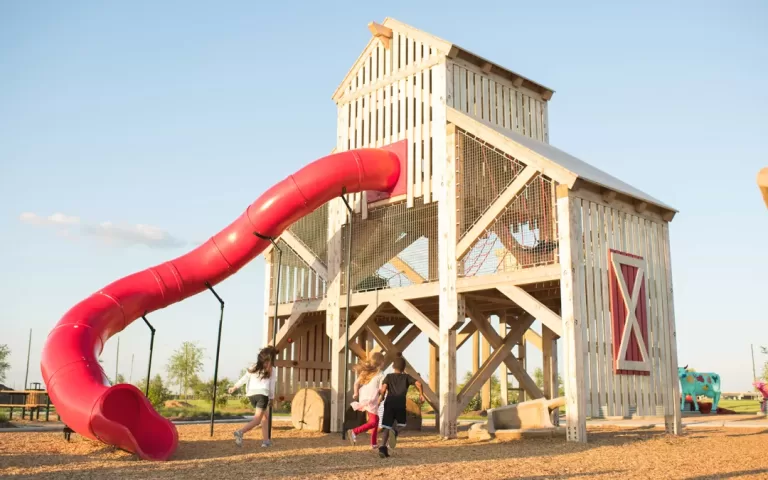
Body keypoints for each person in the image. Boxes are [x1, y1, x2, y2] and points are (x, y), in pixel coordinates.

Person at [228, 345, 278, 448]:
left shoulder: (253, 367)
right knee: (257, 420)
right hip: (262, 395)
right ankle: (240, 432)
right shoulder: (272, 369)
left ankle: (266, 441)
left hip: (252, 395)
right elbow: (272, 386)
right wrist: (272, 398)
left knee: (265, 416)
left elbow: (244, 378)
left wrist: (234, 387)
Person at [377, 356, 424, 458]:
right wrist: (421, 394)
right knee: (402, 424)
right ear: (404, 368)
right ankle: (395, 431)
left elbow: (383, 388)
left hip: (389, 403)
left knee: (386, 426)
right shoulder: (406, 377)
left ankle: (382, 447)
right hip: (400, 403)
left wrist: (380, 398)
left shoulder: (388, 376)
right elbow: (419, 384)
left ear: (393, 366)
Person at [346, 352, 385, 449]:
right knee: (374, 421)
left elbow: (356, 383)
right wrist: (382, 395)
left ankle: (374, 443)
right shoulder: (381, 373)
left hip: (364, 397)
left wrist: (355, 393)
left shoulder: (366, 372)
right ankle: (354, 431)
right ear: (381, 362)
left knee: (375, 420)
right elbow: (381, 389)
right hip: (372, 399)